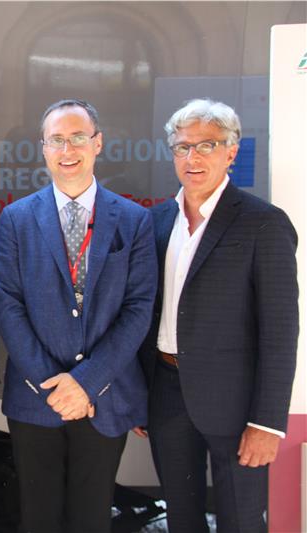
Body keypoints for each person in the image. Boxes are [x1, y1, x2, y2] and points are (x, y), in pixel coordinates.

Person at [0, 99, 157, 532]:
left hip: (105, 395)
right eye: (57, 140)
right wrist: (53, 383)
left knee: (91, 517)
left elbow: (138, 308)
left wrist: (85, 383)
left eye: (78, 137)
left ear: (98, 143)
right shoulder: (16, 219)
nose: (68, 150)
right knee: (38, 518)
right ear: (43, 148)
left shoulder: (134, 220)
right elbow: (8, 305)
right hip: (36, 396)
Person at [138, 98, 298, 532]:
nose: (193, 157)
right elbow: (144, 312)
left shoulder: (263, 223)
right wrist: (140, 394)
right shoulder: (156, 221)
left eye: (206, 145)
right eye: (182, 147)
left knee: (241, 521)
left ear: (231, 152)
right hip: (166, 393)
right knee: (181, 519)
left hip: (238, 404)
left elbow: (280, 332)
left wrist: (267, 423)